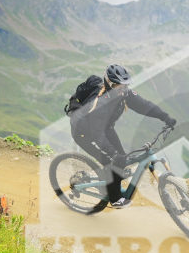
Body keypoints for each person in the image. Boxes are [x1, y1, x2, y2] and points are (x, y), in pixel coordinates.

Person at [68, 64, 177, 209]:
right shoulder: (100, 103)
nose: (122, 88)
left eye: (125, 85)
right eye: (118, 85)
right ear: (109, 83)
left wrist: (165, 117)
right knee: (111, 162)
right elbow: (97, 135)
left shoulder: (124, 93)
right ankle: (114, 199)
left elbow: (145, 106)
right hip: (85, 134)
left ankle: (111, 181)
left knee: (122, 159)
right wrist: (113, 155)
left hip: (105, 129)